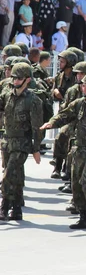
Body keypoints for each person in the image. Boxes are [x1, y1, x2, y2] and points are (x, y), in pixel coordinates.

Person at [41, 73, 86, 229]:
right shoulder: (79, 103)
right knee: (76, 185)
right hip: (77, 150)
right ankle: (83, 217)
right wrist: (51, 123)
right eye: (83, 85)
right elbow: (64, 115)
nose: (83, 88)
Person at [0, 63, 43, 221]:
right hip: (7, 141)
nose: (15, 81)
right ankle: (17, 208)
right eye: (13, 77)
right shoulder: (7, 94)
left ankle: (4, 207)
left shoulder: (33, 100)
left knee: (8, 175)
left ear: (27, 80)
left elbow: (37, 127)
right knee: (16, 175)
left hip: (22, 143)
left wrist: (36, 148)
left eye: (19, 78)